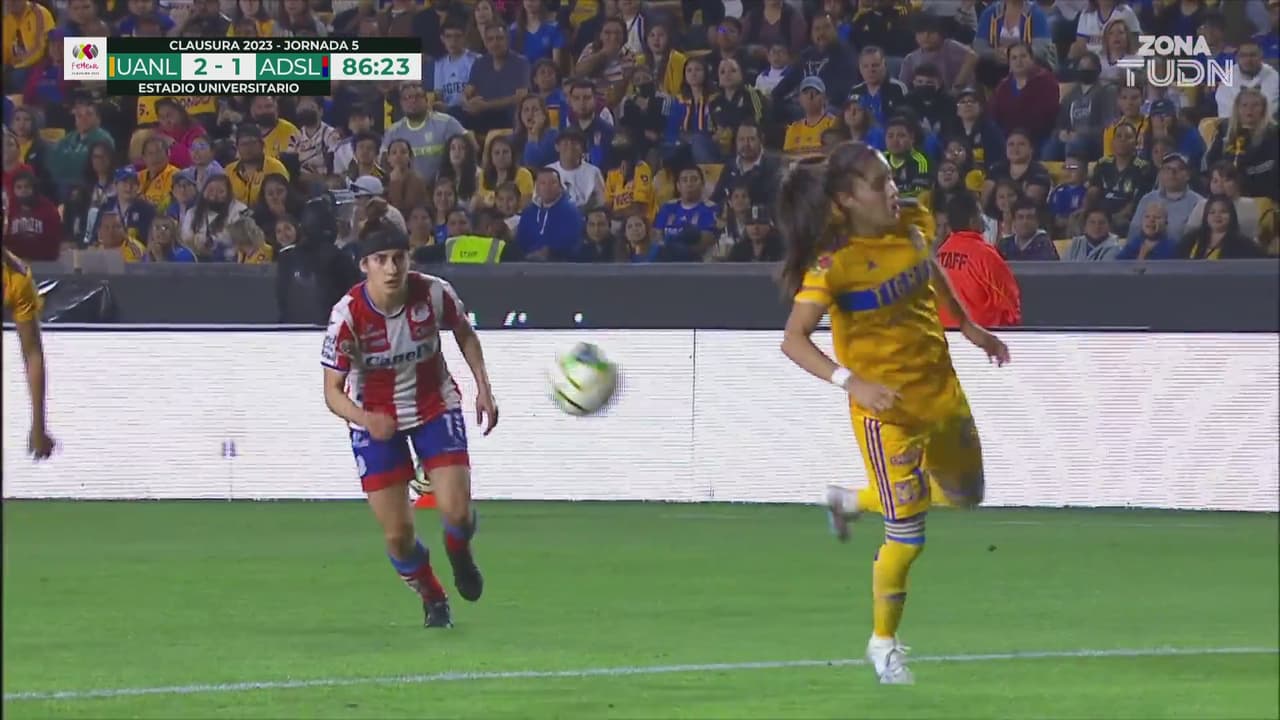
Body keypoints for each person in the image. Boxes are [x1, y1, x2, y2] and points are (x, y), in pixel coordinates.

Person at [776, 143, 1010, 685]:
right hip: (885, 417)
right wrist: (851, 381)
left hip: (941, 394)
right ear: (845, 199)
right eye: (879, 182)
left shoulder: (912, 219)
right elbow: (793, 339)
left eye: (890, 178)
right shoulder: (833, 265)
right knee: (907, 535)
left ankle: (848, 500)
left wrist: (969, 326)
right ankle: (883, 644)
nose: (892, 189)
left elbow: (930, 269)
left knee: (966, 495)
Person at [321, 224, 498, 629]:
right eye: (380, 260)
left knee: (457, 512)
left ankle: (459, 553)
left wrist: (483, 388)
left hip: (434, 405)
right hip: (375, 419)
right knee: (398, 536)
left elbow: (464, 333)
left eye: (398, 258)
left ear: (409, 260)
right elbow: (332, 392)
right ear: (364, 265)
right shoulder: (347, 316)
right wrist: (366, 419)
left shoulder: (434, 293)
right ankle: (433, 597)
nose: (391, 268)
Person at [935, 192, 1022, 328]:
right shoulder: (985, 255)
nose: (983, 219)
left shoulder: (939, 255)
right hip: (979, 337)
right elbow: (1010, 304)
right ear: (972, 220)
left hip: (945, 336)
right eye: (980, 214)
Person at [2, 248, 56, 460]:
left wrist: (39, 425)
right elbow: (32, 353)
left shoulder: (17, 277)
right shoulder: (17, 275)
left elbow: (33, 354)